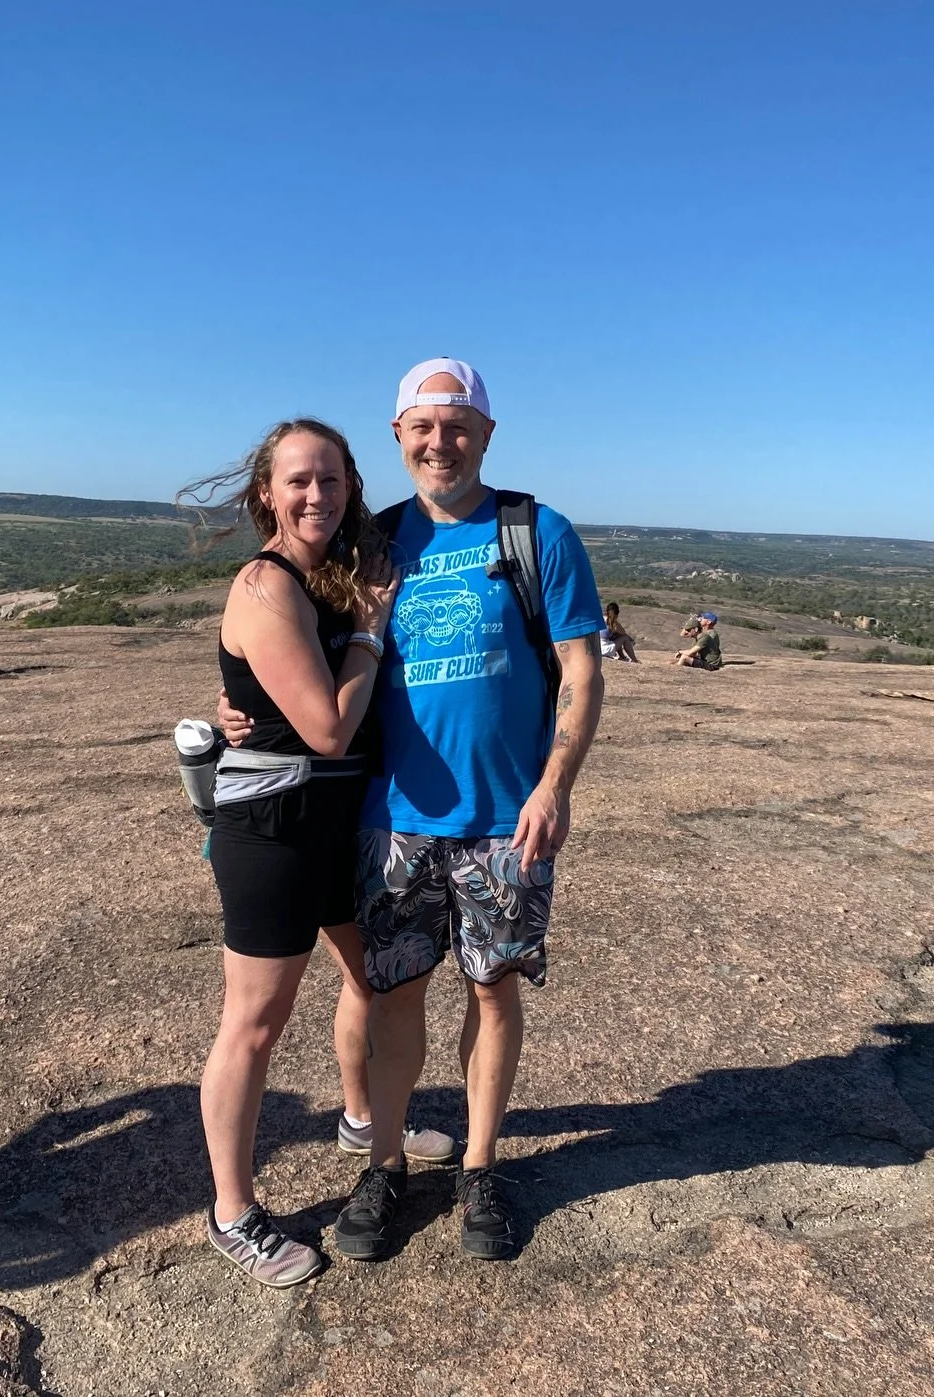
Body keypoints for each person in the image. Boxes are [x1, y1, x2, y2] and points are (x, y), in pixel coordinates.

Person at [218, 357, 604, 1262]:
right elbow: (285, 652)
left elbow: (583, 673)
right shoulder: (372, 546)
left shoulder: (537, 532)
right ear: (397, 438)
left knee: (492, 988)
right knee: (392, 994)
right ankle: (384, 1163)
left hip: (508, 815)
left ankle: (476, 1167)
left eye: (458, 424)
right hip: (392, 819)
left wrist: (556, 786)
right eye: (422, 427)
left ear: (486, 433)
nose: (441, 441)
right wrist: (230, 706)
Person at [181, 418, 453, 1289]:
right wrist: (370, 635)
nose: (316, 496)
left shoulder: (332, 573)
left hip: (339, 825)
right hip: (276, 835)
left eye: (331, 481)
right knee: (255, 1024)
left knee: (372, 978)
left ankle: (365, 1121)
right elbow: (330, 727)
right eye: (299, 480)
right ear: (267, 489)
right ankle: (232, 1211)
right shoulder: (265, 585)